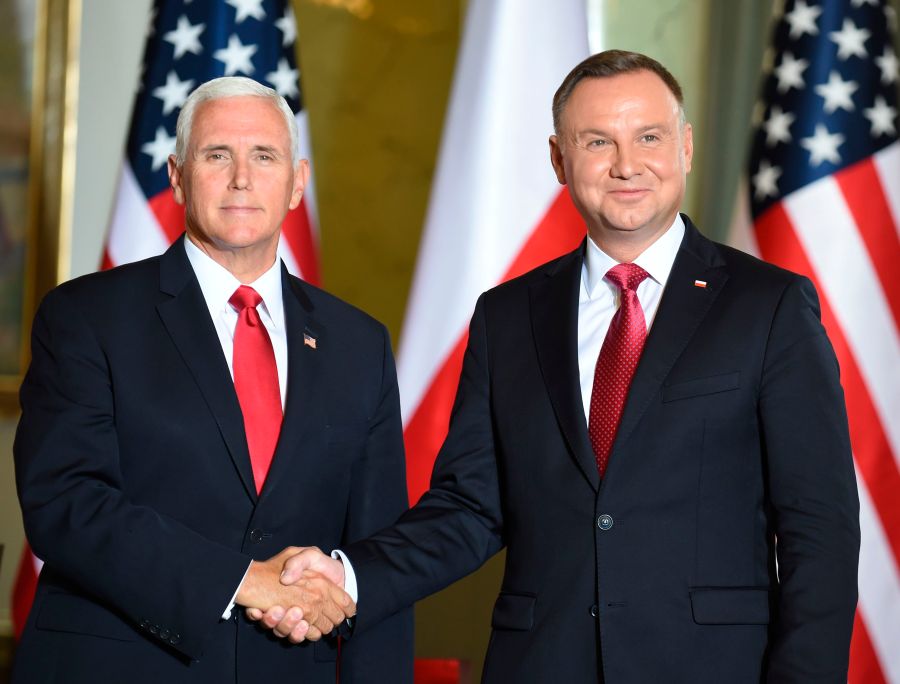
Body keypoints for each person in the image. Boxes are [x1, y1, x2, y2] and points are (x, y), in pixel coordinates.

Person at [268, 51, 860, 683]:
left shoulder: (768, 306)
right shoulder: (507, 316)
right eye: (598, 141)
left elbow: (819, 530)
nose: (627, 164)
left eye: (649, 137)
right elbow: (471, 507)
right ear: (558, 159)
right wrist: (350, 576)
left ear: (685, 147)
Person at [13, 77, 412, 683]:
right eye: (217, 154)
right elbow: (64, 502)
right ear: (176, 175)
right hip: (119, 665)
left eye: (264, 156)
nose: (241, 178)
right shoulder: (86, 317)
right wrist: (241, 581)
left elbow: (377, 553)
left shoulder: (360, 344)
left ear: (298, 181)